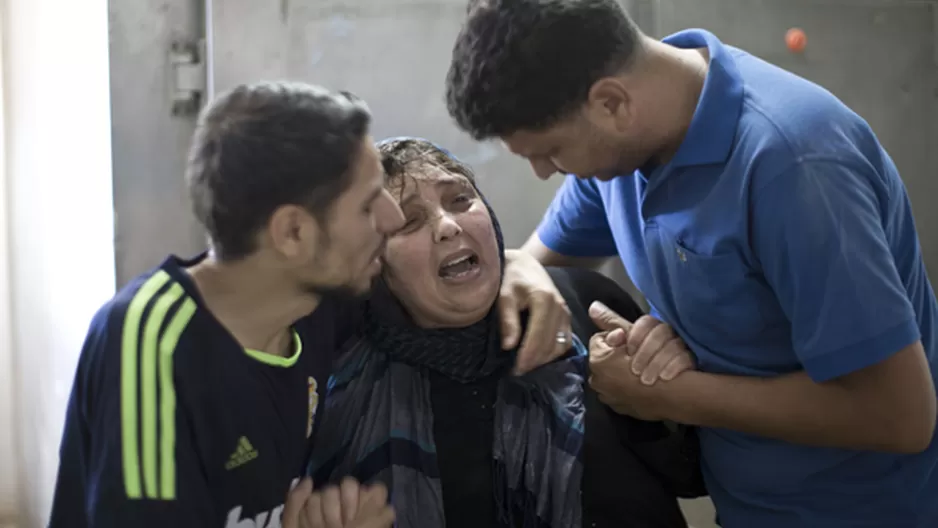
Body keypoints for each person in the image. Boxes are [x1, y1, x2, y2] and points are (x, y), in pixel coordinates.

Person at [444, 1, 938, 527]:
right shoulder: (620, 155)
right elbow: (541, 258)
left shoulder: (794, 165)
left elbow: (900, 416)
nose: (545, 173)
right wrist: (519, 267)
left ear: (611, 103)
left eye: (550, 150)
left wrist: (673, 396)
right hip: (745, 506)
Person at [48, 82, 572, 528]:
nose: (390, 221)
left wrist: (520, 266)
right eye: (371, 204)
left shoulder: (319, 299)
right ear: (294, 233)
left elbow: (444, 277)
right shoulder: (153, 343)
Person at [307, 137, 706, 528]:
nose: (448, 225)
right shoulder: (338, 381)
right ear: (373, 263)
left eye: (461, 199)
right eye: (408, 221)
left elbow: (694, 475)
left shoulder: (583, 305)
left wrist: (667, 384)